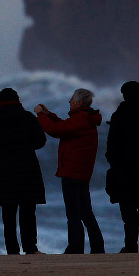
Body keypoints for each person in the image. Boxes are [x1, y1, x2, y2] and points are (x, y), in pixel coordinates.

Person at [35, 88, 105, 254]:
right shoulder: (85, 118)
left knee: (74, 213)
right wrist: (49, 114)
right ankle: (96, 247)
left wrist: (40, 115)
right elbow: (64, 126)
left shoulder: (81, 119)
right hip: (81, 172)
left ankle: (76, 247)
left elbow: (56, 130)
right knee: (85, 213)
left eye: (72, 100)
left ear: (79, 103)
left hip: (72, 171)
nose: (69, 102)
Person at [0, 87, 46, 255]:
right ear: (17, 100)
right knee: (28, 211)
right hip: (27, 169)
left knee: (8, 213)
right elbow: (40, 141)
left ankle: (12, 249)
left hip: (4, 170)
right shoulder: (27, 117)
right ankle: (30, 247)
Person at [105, 80, 139, 253]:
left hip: (123, 169)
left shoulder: (119, 116)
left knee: (127, 208)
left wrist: (113, 163)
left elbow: (112, 144)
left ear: (125, 95)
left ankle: (131, 245)